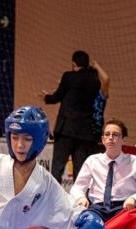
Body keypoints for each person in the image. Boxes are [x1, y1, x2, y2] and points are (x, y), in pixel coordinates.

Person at [39, 50, 100, 183]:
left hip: (66, 129)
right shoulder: (95, 81)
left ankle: (53, 199)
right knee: (80, 170)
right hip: (85, 131)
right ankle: (79, 201)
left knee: (58, 167)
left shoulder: (69, 76)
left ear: (73, 63)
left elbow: (57, 97)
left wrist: (46, 97)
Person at [90, 60, 110, 147]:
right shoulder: (81, 94)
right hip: (82, 133)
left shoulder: (100, 94)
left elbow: (106, 79)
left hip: (96, 133)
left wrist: (97, 66)